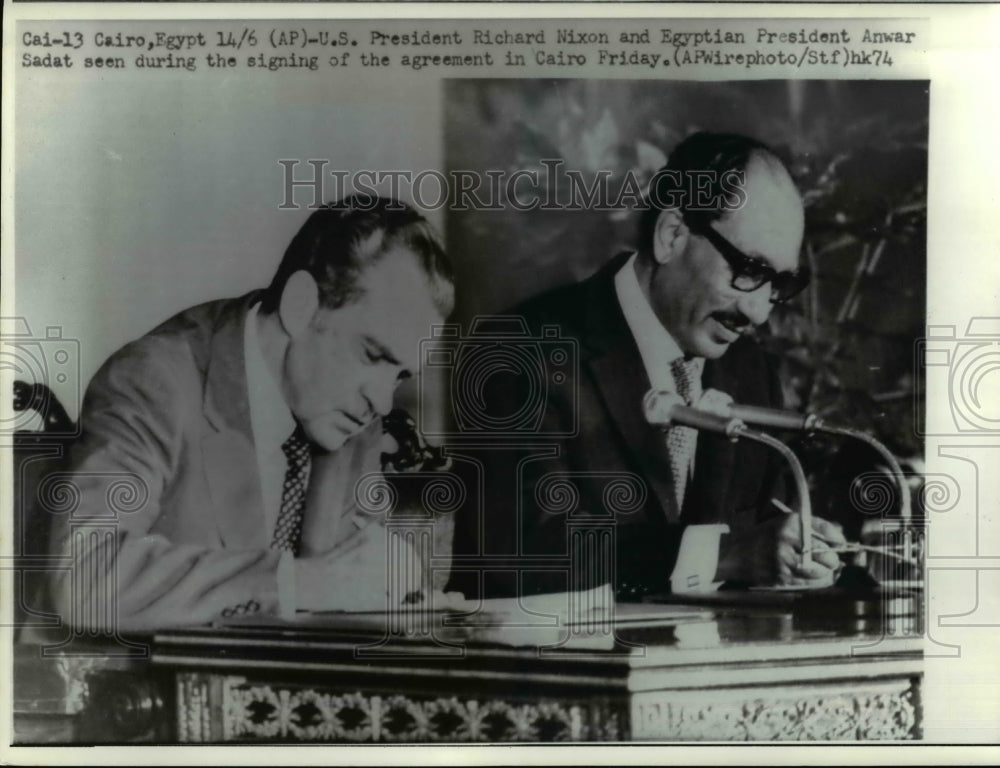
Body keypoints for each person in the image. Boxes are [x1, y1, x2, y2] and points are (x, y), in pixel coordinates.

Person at [447, 132, 846, 601]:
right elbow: (526, 552)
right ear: (671, 234)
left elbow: (764, 533)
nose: (760, 313)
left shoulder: (751, 371)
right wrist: (724, 555)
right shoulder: (520, 348)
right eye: (750, 271)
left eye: (779, 282)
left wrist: (801, 556)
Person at [49, 196, 455, 630]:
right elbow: (86, 580)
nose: (382, 401)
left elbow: (349, 582)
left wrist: (395, 580)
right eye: (373, 355)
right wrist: (296, 584)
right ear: (301, 305)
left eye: (399, 376)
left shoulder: (350, 419)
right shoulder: (157, 379)